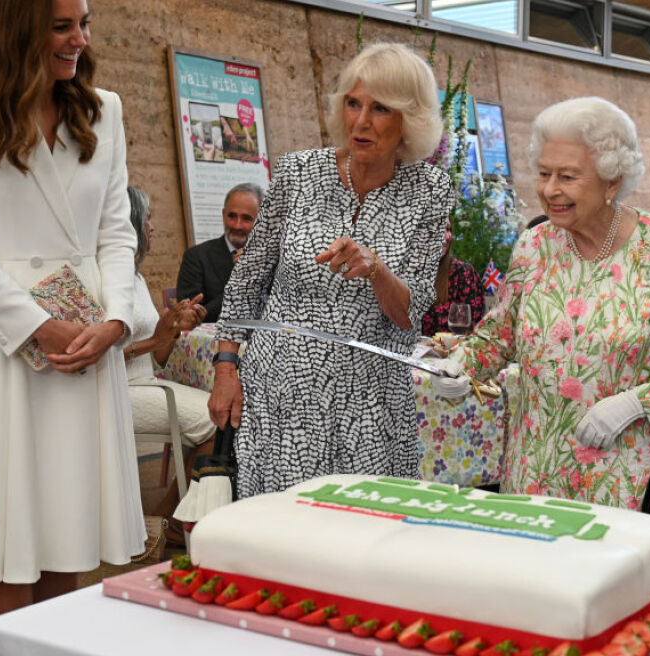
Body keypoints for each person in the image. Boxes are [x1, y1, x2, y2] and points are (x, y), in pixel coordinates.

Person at [0, 0, 145, 619]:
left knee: (68, 531)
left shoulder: (105, 109)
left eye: (85, 24)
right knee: (11, 541)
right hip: (13, 344)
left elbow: (117, 234)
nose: (80, 39)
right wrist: (37, 327)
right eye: (62, 26)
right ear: (20, 27)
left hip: (88, 341)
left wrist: (116, 323)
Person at [443, 97, 650, 508]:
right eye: (544, 173)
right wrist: (463, 363)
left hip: (623, 487)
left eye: (567, 176)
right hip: (531, 478)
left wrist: (637, 403)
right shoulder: (535, 244)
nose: (550, 190)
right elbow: (499, 334)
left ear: (612, 180)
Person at [208, 42, 452, 499]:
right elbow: (247, 280)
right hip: (282, 391)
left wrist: (376, 269)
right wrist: (226, 368)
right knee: (283, 532)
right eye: (353, 104)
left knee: (362, 535)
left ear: (410, 119)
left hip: (371, 400)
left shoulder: (430, 190)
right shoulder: (298, 173)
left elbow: (411, 314)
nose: (360, 121)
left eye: (380, 108)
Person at [123, 186, 215, 539]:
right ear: (129, 224)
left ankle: (172, 515)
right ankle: (172, 520)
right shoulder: (106, 277)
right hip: (119, 390)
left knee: (220, 409)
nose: (152, 227)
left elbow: (158, 356)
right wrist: (157, 338)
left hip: (146, 381)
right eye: (147, 218)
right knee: (214, 418)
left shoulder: (136, 276)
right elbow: (98, 353)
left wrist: (174, 329)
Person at [176, 182, 262, 322]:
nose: (237, 225)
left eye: (246, 218)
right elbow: (192, 317)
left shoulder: (273, 260)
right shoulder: (196, 257)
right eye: (232, 216)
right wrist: (242, 279)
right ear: (223, 215)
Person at [421, 218, 486, 336]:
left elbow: (474, 330)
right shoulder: (404, 273)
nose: (447, 236)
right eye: (439, 229)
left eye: (447, 229)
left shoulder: (462, 273)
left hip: (451, 353)